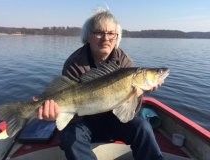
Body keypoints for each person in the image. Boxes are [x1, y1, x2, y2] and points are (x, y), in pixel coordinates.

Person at [36, 9, 164, 160]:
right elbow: (69, 109)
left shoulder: (125, 63)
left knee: (143, 128)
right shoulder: (74, 63)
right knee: (71, 137)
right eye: (99, 32)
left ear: (117, 38)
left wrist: (138, 94)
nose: (106, 38)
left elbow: (127, 113)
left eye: (111, 33)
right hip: (84, 122)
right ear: (88, 36)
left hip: (114, 120)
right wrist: (54, 113)